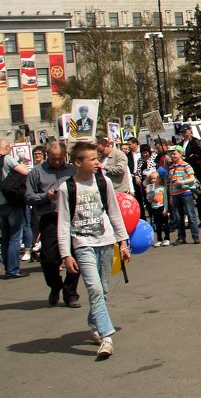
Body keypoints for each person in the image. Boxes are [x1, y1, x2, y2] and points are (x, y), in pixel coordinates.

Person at [56, 141, 130, 360]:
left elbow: (115, 213)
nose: (98, 163)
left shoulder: (103, 182)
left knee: (104, 290)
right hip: (83, 244)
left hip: (106, 242)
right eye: (93, 159)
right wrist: (65, 254)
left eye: (98, 158)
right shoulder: (66, 188)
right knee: (94, 289)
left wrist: (123, 242)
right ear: (78, 162)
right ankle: (107, 337)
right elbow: (63, 223)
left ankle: (95, 322)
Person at [25, 142, 79, 306]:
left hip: (72, 217)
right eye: (53, 159)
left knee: (76, 255)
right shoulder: (37, 172)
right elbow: (28, 196)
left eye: (60, 159)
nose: (57, 162)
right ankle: (55, 286)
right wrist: (44, 197)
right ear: (47, 155)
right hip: (50, 218)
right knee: (49, 259)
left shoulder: (72, 170)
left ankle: (70, 294)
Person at [0, 138, 31, 279]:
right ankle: (13, 270)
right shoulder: (8, 159)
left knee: (5, 237)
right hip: (12, 202)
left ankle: (7, 268)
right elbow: (25, 172)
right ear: (6, 148)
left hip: (0, 204)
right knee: (15, 237)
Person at [166, 147, 200, 245]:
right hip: (176, 194)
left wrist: (181, 182)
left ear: (180, 154)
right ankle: (181, 237)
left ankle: (195, 236)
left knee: (191, 215)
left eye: (175, 154)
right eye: (172, 154)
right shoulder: (171, 168)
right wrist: (171, 196)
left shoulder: (186, 165)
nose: (173, 156)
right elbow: (171, 183)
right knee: (178, 217)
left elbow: (192, 179)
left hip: (186, 193)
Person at [145, 171, 170, 246]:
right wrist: (149, 195)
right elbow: (149, 200)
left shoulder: (162, 188)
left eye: (155, 178)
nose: (153, 180)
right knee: (157, 225)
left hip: (162, 208)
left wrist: (166, 209)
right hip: (154, 208)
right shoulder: (150, 188)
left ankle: (167, 238)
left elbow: (165, 199)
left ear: (159, 179)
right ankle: (159, 239)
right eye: (152, 179)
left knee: (165, 224)